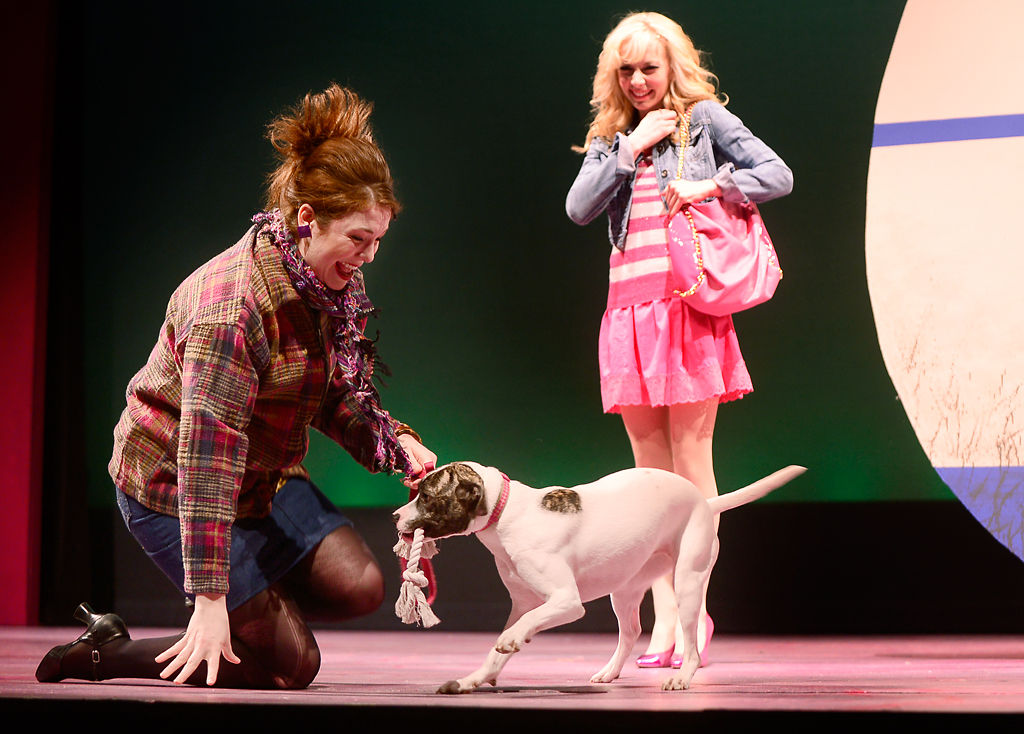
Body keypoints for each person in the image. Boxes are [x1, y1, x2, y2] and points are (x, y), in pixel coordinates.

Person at [36, 84, 436, 689]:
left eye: (377, 239)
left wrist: (392, 445)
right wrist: (212, 596)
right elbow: (204, 459)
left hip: (261, 477)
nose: (369, 256)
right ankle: (107, 651)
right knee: (290, 666)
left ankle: (253, 616)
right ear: (307, 220)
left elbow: (328, 392)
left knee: (360, 586)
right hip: (176, 483)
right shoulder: (234, 305)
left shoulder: (320, 282)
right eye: (358, 238)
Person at [565, 12, 792, 668]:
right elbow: (580, 208)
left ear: (672, 66)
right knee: (647, 481)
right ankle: (664, 614)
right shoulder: (615, 135)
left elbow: (777, 174)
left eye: (649, 67)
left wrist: (708, 184)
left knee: (691, 472)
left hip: (686, 309)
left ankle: (689, 615)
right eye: (626, 70)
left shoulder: (704, 118)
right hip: (629, 312)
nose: (638, 80)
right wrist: (631, 146)